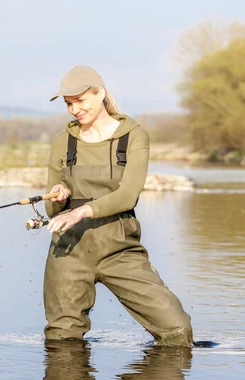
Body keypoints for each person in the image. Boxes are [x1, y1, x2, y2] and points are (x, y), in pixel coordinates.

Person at [43, 64, 193, 347]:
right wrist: (58, 195)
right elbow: (52, 211)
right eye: (68, 103)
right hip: (69, 251)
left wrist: (83, 210)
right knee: (62, 342)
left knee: (177, 331)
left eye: (80, 100)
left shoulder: (134, 136)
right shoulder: (63, 142)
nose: (75, 109)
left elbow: (128, 196)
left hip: (119, 248)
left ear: (100, 93)